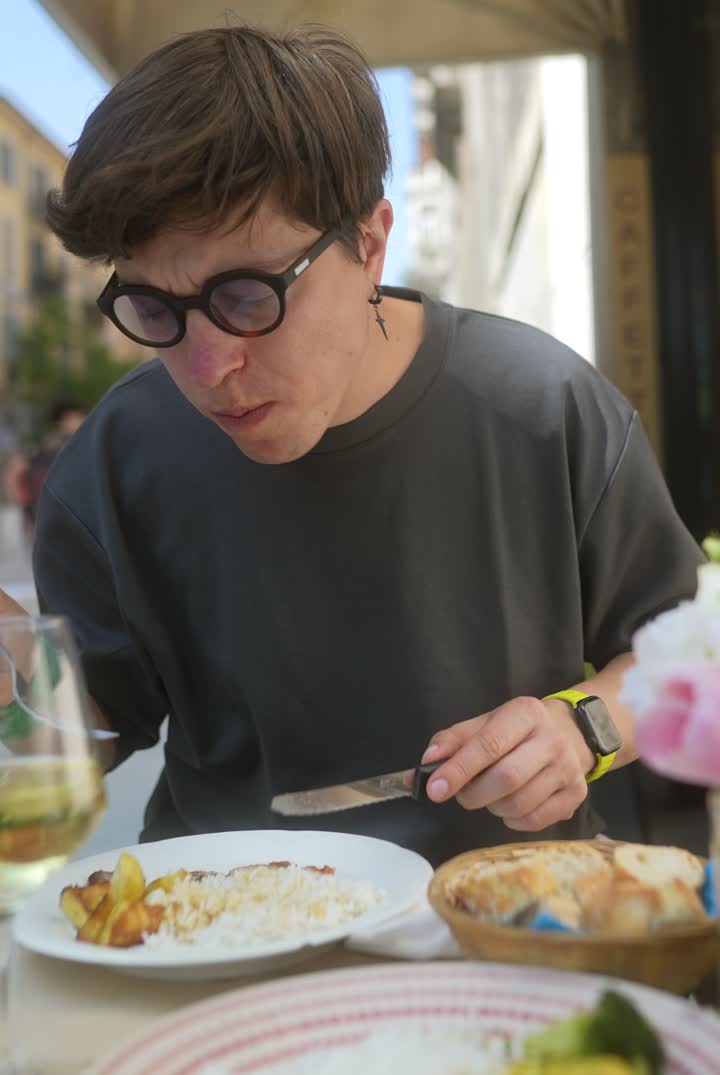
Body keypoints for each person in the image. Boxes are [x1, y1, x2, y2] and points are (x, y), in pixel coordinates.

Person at [0, 25, 703, 866]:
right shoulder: (113, 462)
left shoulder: (544, 409)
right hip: (206, 927)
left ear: (369, 244)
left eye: (247, 296)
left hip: (503, 923)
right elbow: (79, 732)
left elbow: (691, 656)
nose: (210, 366)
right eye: (155, 309)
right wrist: (15, 683)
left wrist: (582, 727)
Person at [4, 400, 87, 537]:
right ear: (62, 421)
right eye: (74, 418)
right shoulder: (50, 449)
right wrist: (23, 504)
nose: (80, 421)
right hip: (54, 515)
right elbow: (17, 472)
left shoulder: (78, 444)